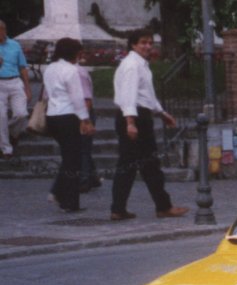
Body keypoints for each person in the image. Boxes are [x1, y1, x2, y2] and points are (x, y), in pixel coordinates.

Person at [110, 29, 187, 221]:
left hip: (140, 115)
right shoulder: (132, 65)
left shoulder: (141, 65)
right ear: (133, 44)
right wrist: (130, 123)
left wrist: (162, 113)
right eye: (143, 42)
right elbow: (128, 95)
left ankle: (155, 206)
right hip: (134, 117)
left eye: (150, 43)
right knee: (134, 164)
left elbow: (147, 95)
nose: (148, 46)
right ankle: (126, 208)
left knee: (146, 164)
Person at [43, 38, 95, 213]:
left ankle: (61, 194)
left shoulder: (50, 68)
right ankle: (69, 200)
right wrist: (85, 120)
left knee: (68, 157)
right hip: (68, 115)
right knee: (73, 160)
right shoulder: (72, 70)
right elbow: (77, 97)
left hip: (52, 115)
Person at [0, 19, 32, 158]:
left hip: (15, 82)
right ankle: (6, 148)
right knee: (1, 116)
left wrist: (27, 88)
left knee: (21, 114)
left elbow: (23, 67)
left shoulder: (14, 45)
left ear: (4, 30)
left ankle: (10, 132)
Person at [77, 51, 102, 192]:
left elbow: (87, 98)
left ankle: (84, 180)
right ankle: (93, 177)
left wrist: (85, 119)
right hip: (74, 112)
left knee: (83, 148)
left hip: (83, 112)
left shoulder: (79, 72)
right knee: (83, 147)